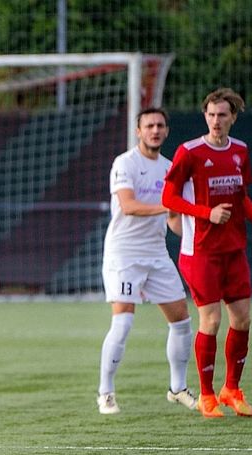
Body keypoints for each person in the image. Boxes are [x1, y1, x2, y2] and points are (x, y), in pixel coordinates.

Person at [162, 88, 252, 418]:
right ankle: (207, 395)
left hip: (233, 249)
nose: (216, 120)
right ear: (204, 116)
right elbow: (169, 198)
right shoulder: (189, 152)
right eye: (210, 114)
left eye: (222, 115)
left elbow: (241, 196)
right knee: (211, 319)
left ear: (233, 117)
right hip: (200, 252)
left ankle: (232, 389)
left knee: (243, 319)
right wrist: (204, 213)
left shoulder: (240, 151)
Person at [97, 107, 197, 415]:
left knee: (182, 321)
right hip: (124, 254)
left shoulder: (170, 168)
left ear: (166, 131)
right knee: (123, 321)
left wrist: (192, 226)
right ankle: (106, 393)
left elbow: (174, 221)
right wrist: (171, 204)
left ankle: (177, 388)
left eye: (160, 125)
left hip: (156, 253)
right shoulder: (125, 163)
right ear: (138, 131)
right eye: (149, 125)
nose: (155, 130)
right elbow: (128, 206)